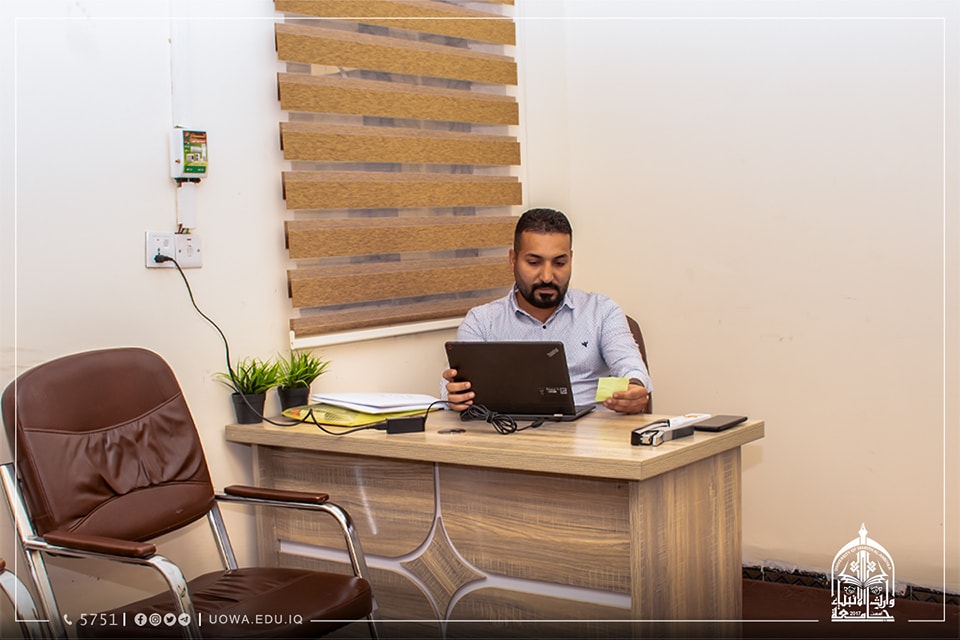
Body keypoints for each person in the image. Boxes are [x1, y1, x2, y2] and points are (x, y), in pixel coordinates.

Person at [442, 207, 652, 414]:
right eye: (534, 263)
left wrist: (634, 387)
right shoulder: (482, 322)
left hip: (591, 431)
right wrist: (455, 396)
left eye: (559, 263)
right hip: (512, 431)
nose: (547, 276)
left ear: (570, 259)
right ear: (513, 260)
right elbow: (454, 385)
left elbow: (629, 365)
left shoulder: (601, 311)